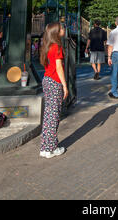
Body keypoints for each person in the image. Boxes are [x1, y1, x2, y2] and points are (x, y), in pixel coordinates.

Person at [39, 22, 68, 159]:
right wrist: (65, 85)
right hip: (55, 81)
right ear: (57, 32)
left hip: (46, 80)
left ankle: (45, 147)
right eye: (62, 28)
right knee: (54, 115)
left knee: (48, 115)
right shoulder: (57, 47)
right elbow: (59, 68)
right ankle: (51, 148)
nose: (64, 29)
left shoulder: (46, 46)